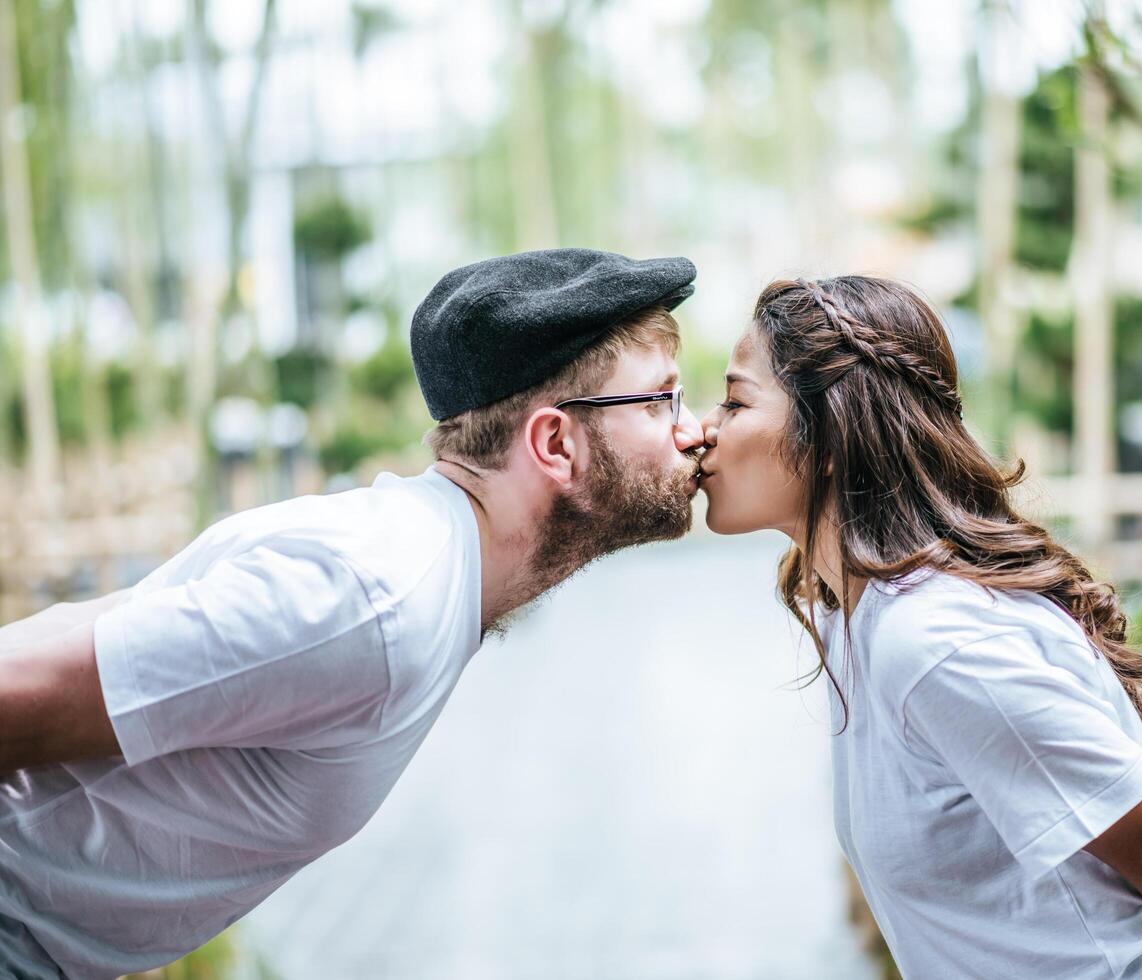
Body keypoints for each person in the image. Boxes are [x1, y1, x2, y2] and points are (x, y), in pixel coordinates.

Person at [0, 248, 706, 979]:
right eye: (660, 400)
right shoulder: (372, 602)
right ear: (554, 443)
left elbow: (73, 625)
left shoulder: (411, 571)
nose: (693, 429)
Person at [695, 275, 1142, 979]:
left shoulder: (934, 639)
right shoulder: (853, 614)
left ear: (827, 437)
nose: (700, 429)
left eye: (733, 400)